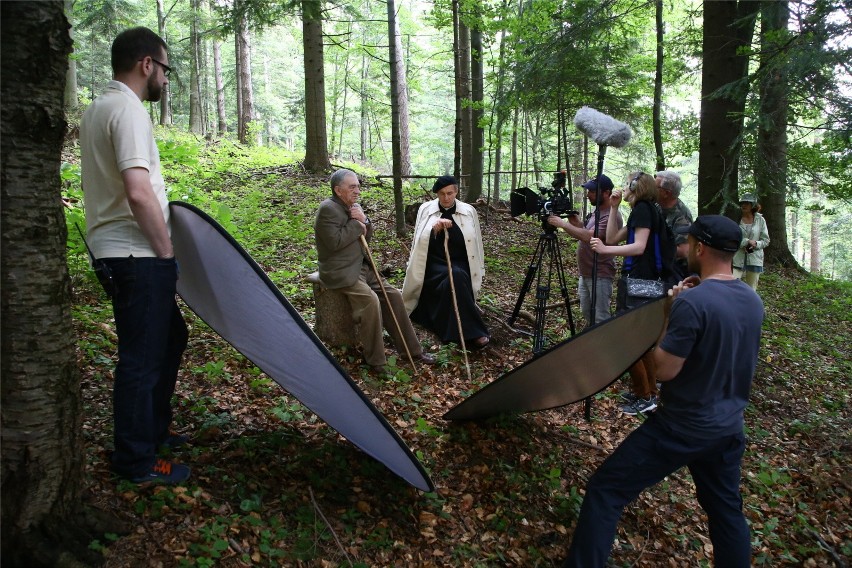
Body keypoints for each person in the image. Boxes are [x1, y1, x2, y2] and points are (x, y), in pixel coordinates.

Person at [562, 215, 764, 568]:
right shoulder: (751, 299)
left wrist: (669, 314)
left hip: (682, 427)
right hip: (728, 428)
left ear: (701, 247)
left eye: (687, 244)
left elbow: (665, 372)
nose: (682, 250)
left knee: (606, 491)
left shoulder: (693, 303)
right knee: (726, 512)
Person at [81, 27, 190, 484]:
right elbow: (138, 191)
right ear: (147, 64)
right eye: (165, 69)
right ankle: (138, 463)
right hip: (136, 253)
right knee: (141, 360)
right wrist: (165, 255)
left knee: (170, 339)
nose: (166, 79)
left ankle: (154, 431)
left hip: (120, 250)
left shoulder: (98, 108)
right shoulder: (127, 111)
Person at [314, 169, 436, 374]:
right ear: (338, 189)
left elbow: (366, 236)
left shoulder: (353, 206)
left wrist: (365, 221)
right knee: (370, 302)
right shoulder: (327, 209)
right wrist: (358, 223)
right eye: (352, 187)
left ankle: (411, 350)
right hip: (341, 270)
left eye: (358, 186)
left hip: (363, 267)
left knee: (394, 296)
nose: (357, 191)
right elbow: (334, 242)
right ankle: (376, 361)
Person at [590, 172, 666, 415]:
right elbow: (612, 237)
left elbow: (639, 246)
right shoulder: (642, 211)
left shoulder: (644, 209)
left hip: (641, 284)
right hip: (638, 283)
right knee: (641, 343)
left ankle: (645, 395)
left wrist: (606, 250)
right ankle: (647, 392)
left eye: (628, 183)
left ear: (636, 187)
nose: (624, 187)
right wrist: (613, 208)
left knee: (630, 341)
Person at [402, 175, 489, 348]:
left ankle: (459, 332)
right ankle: (473, 332)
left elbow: (476, 241)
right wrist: (433, 228)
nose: (446, 198)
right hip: (434, 264)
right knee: (454, 276)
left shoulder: (468, 210)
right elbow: (419, 240)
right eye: (442, 194)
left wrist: (479, 266)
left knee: (456, 275)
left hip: (461, 262)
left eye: (450, 193)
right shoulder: (426, 209)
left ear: (456, 192)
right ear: (437, 194)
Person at [547, 174, 623, 327]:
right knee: (587, 313)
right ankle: (593, 343)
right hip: (586, 273)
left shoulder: (611, 216)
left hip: (600, 273)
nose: (588, 195)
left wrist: (563, 225)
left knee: (601, 317)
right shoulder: (596, 213)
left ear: (606, 193)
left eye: (592, 191)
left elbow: (590, 237)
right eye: (588, 191)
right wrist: (575, 223)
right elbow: (586, 230)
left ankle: (604, 347)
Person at [655, 170, 693, 278]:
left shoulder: (682, 216)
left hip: (676, 273)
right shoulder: (656, 206)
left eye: (655, 187)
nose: (651, 190)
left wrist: (653, 245)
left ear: (666, 193)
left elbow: (684, 251)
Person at [733, 193, 770, 290]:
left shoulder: (760, 220)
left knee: (752, 290)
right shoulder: (736, 218)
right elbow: (732, 238)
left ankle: (750, 305)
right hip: (737, 258)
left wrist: (756, 244)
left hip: (755, 259)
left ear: (753, 205)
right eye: (742, 203)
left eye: (747, 203)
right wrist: (746, 241)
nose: (744, 205)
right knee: (732, 287)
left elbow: (766, 240)